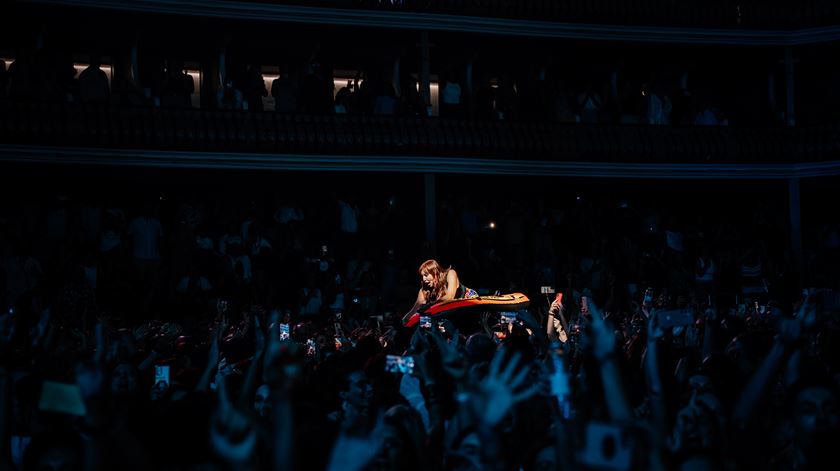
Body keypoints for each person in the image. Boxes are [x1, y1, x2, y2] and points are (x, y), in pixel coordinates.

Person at [402, 259, 476, 325]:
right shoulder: (424, 290)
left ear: (435, 273)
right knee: (424, 315)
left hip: (468, 302)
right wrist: (403, 322)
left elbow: (450, 297)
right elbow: (415, 310)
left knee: (426, 310)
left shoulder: (450, 273)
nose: (424, 279)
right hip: (448, 313)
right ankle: (427, 334)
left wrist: (430, 305)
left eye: (426, 275)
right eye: (422, 276)